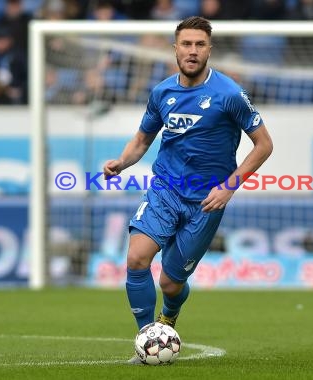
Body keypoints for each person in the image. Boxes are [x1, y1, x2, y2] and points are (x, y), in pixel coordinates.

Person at [102, 16, 273, 364]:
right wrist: (122, 162)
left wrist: (228, 187)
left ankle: (169, 316)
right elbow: (142, 139)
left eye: (199, 45)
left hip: (206, 202)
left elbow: (264, 145)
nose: (192, 51)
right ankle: (147, 337)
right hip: (165, 189)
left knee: (170, 283)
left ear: (209, 49)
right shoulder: (162, 92)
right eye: (186, 44)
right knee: (136, 258)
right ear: (175, 48)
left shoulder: (229, 94)